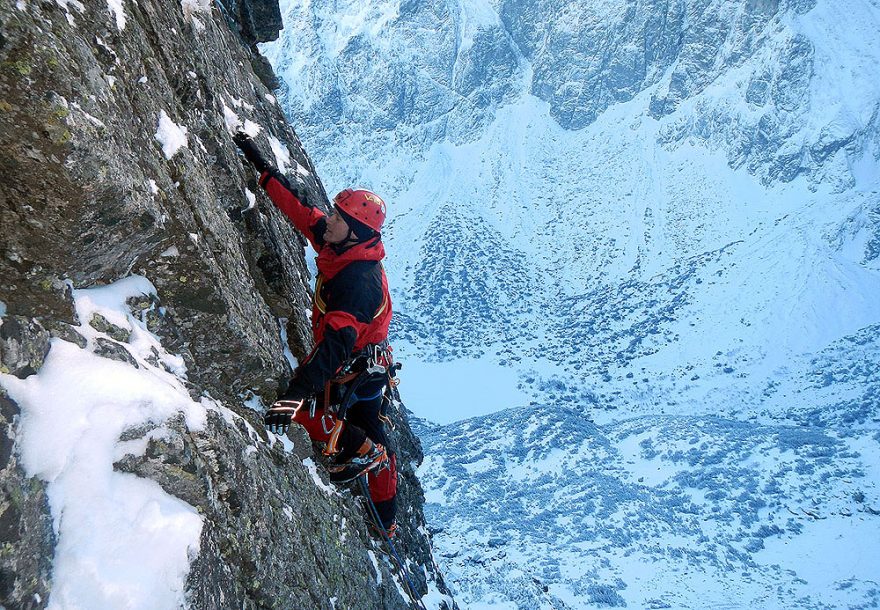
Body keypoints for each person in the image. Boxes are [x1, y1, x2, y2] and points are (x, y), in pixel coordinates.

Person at [233, 132, 398, 535]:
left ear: (356, 231)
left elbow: (333, 348)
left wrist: (294, 394)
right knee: (369, 425)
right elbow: (305, 213)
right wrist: (264, 171)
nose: (331, 220)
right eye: (336, 214)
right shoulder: (346, 246)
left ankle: (366, 456)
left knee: (317, 416)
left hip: (352, 365)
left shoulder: (358, 282)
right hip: (368, 365)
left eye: (340, 218)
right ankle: (386, 515)